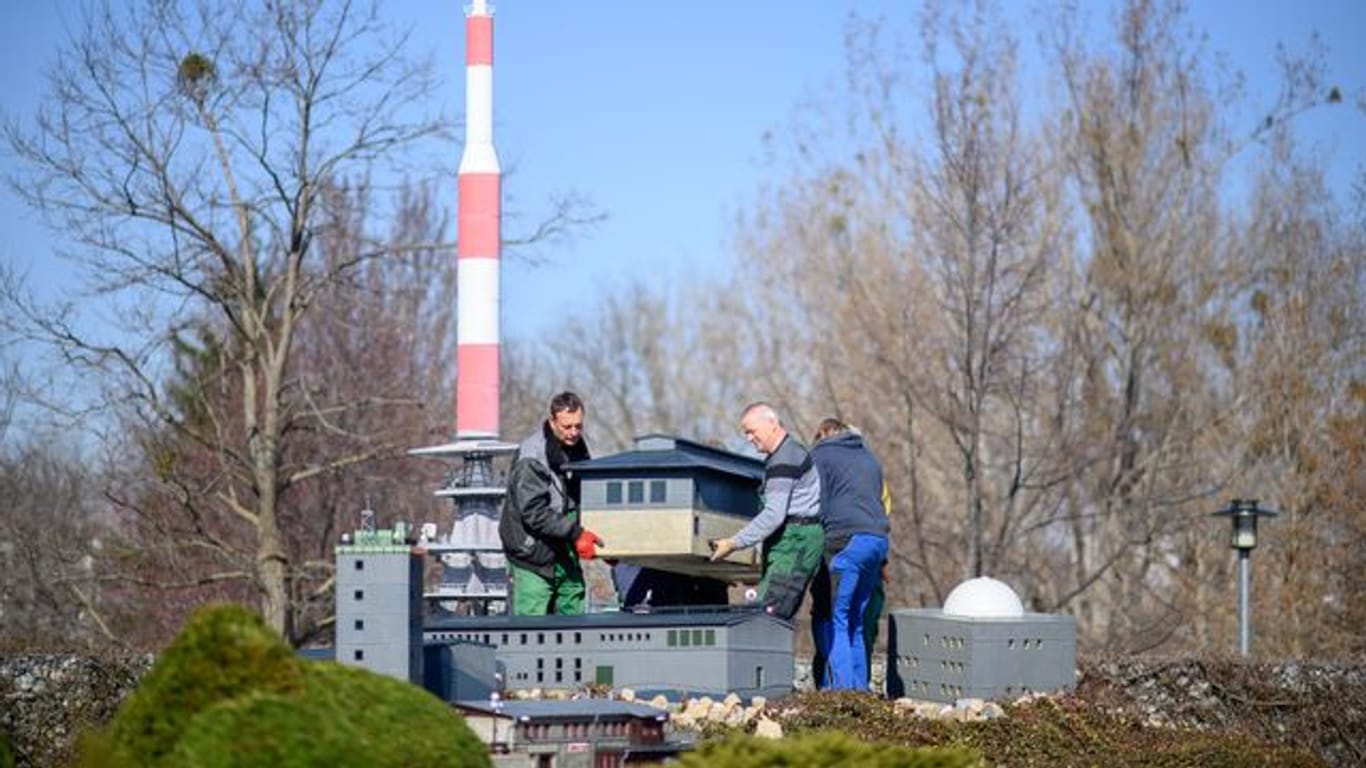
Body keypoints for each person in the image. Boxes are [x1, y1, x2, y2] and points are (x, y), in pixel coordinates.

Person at [709, 402, 823, 620]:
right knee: (769, 615)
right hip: (789, 541)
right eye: (746, 433)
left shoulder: (784, 459)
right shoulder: (783, 455)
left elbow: (773, 515)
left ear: (772, 424)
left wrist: (732, 543)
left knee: (766, 617)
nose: (749, 438)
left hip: (795, 544)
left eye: (752, 431)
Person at [499, 391, 605, 616]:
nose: (574, 433)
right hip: (531, 554)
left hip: (564, 548)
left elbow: (582, 500)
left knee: (574, 609)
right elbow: (534, 513)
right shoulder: (532, 458)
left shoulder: (577, 451)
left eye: (578, 426)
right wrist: (577, 534)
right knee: (531, 625)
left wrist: (605, 542)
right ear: (552, 422)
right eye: (567, 427)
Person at [807, 417, 890, 691]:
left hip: (845, 542)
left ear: (822, 435)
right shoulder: (869, 458)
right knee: (855, 619)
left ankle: (841, 694)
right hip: (877, 543)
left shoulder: (821, 454)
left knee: (836, 618)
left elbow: (814, 503)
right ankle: (860, 691)